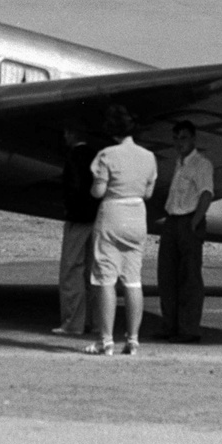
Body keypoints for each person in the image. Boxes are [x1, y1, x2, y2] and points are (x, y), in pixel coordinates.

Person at [84, 105, 156, 356]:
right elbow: (148, 192)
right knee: (133, 281)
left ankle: (106, 341)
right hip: (137, 216)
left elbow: (98, 192)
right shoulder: (148, 156)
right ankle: (133, 340)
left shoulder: (106, 155)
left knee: (105, 279)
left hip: (112, 214)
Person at [157, 120, 214, 343]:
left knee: (189, 278)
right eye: (176, 138)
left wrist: (195, 221)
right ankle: (170, 326)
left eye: (184, 138)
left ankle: (189, 330)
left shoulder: (201, 164)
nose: (179, 143)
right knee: (167, 275)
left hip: (188, 221)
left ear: (193, 139)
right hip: (173, 220)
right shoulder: (179, 163)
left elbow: (206, 194)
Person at [53, 124, 101, 336]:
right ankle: (93, 321)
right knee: (91, 271)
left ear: (73, 133)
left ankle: (73, 323)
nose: (64, 136)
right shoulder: (95, 155)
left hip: (78, 219)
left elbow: (74, 187)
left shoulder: (74, 157)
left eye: (66, 131)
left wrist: (70, 210)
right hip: (95, 220)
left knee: (71, 271)